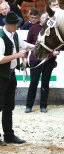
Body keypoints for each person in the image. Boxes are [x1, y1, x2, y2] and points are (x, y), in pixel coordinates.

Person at [0, 11, 34, 144]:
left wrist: (38, 47)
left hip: (10, 75)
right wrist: (17, 55)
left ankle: (9, 135)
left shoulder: (14, 35)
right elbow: (1, 59)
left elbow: (25, 45)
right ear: (7, 24)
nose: (17, 27)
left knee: (9, 106)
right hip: (1, 76)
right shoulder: (1, 37)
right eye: (15, 24)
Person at [25, 12, 59, 113]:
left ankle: (43, 106)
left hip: (49, 60)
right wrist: (26, 56)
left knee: (45, 83)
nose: (46, 19)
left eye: (48, 18)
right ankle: (29, 105)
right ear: (40, 19)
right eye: (44, 17)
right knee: (34, 82)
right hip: (36, 60)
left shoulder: (53, 30)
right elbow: (27, 43)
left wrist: (56, 52)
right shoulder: (33, 28)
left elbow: (58, 44)